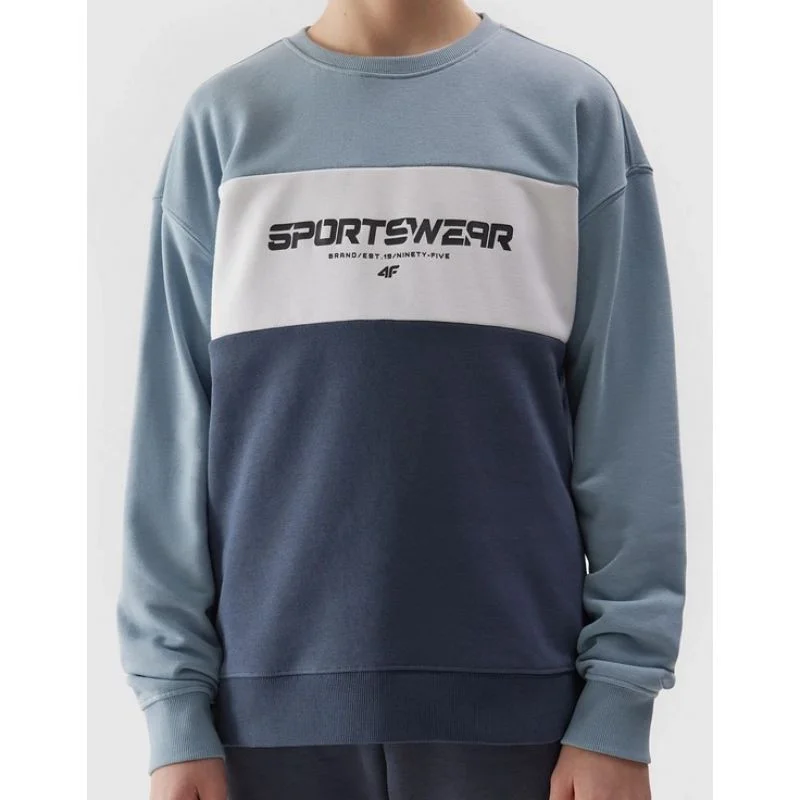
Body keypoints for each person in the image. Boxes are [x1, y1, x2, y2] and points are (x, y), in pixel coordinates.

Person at [116, 2, 688, 798]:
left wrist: (619, 703)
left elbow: (627, 428)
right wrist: (174, 708)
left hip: (526, 721)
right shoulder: (228, 122)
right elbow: (172, 429)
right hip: (259, 727)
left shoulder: (569, 110)